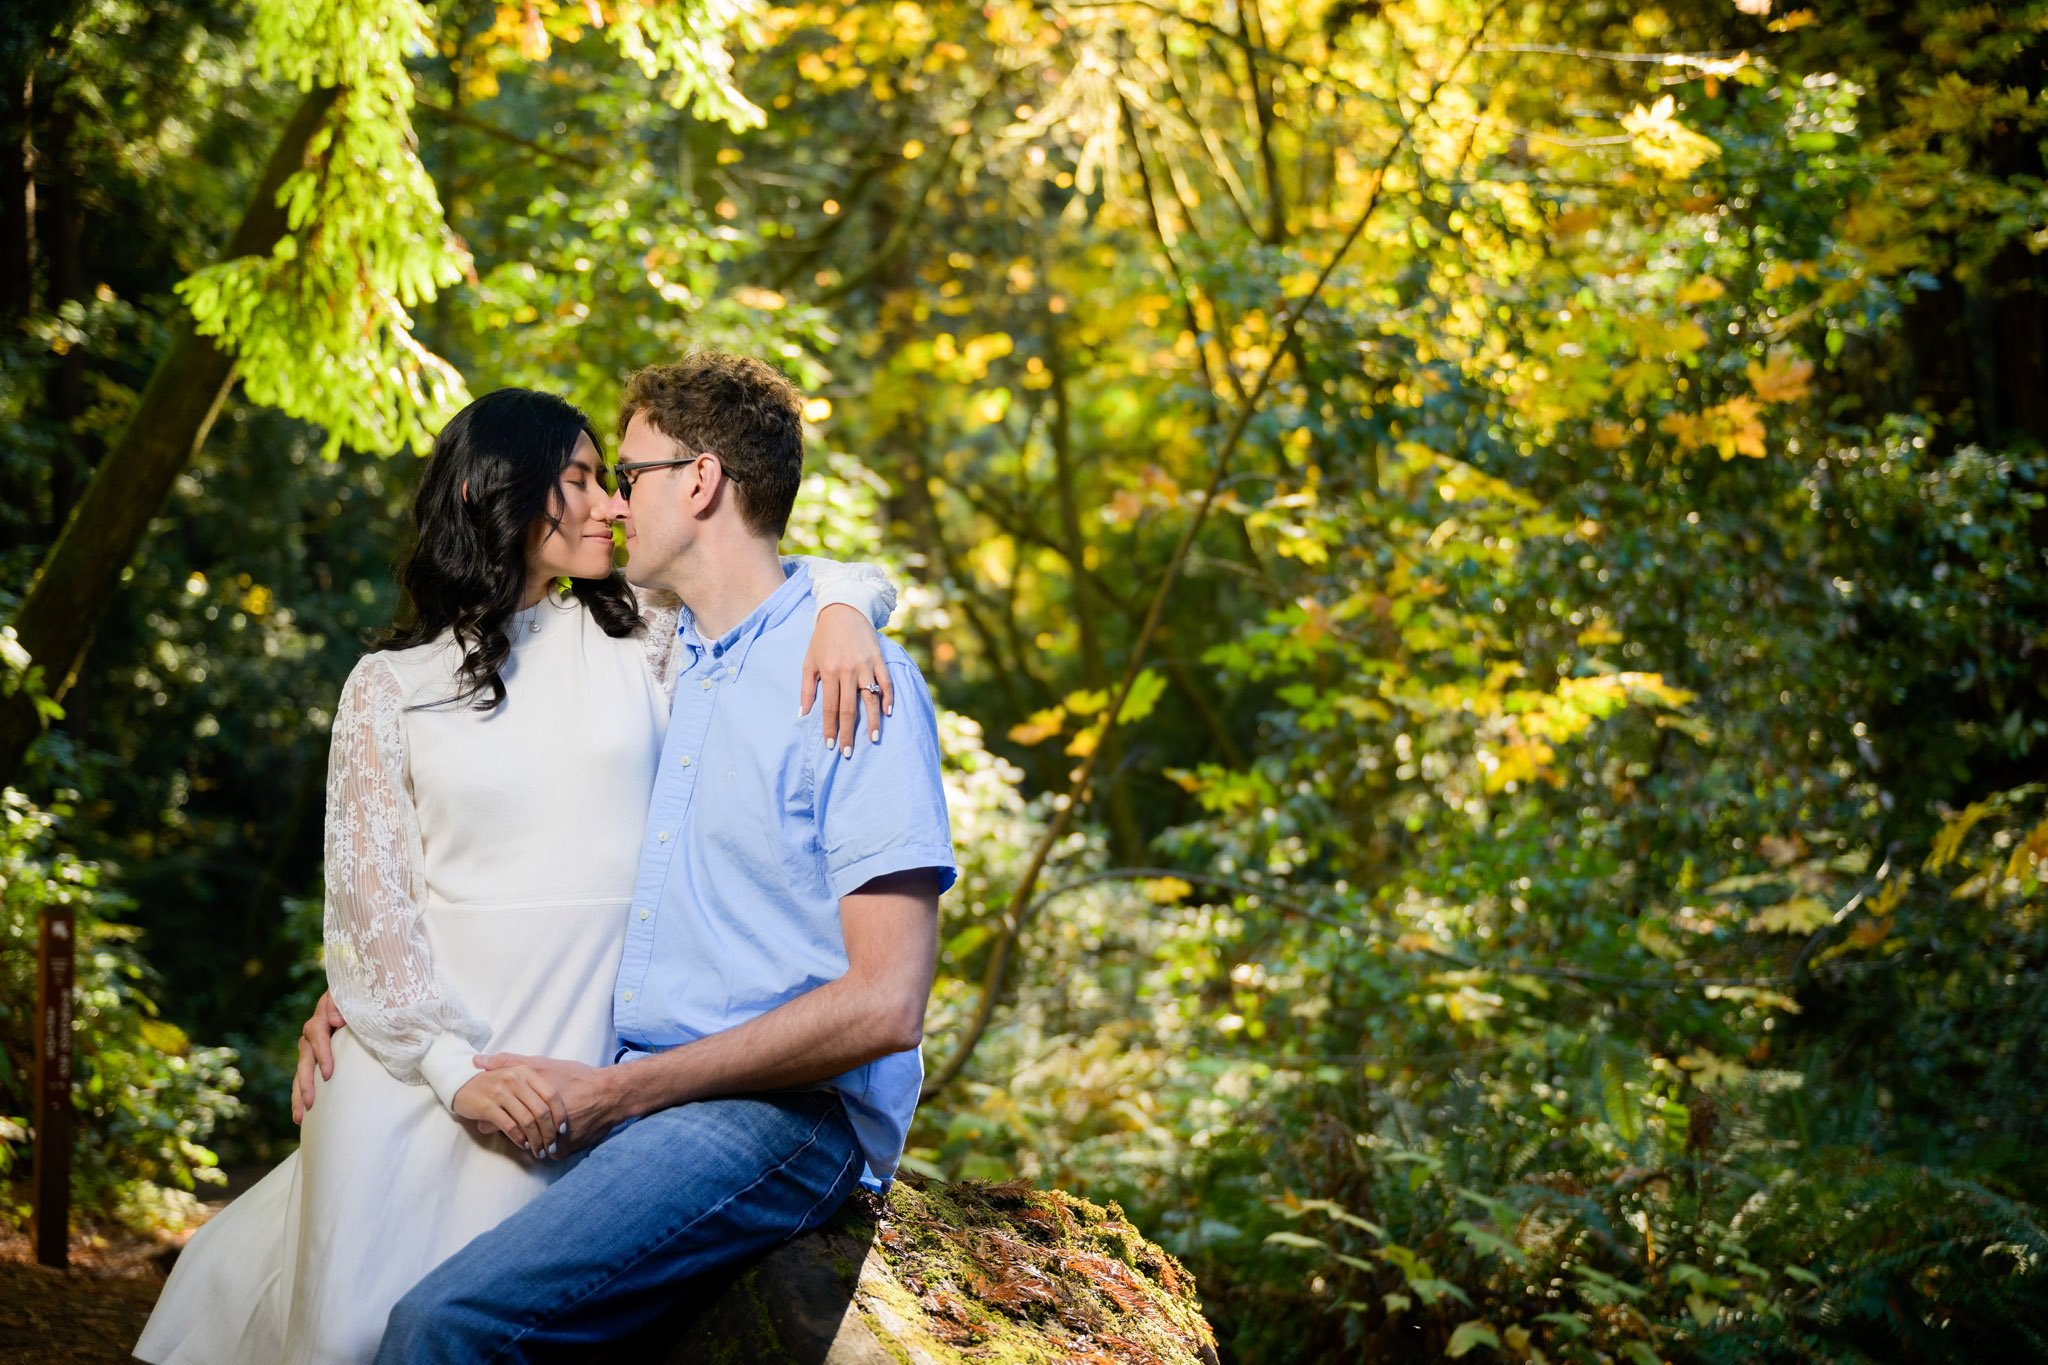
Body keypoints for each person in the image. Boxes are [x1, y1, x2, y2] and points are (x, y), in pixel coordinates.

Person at [132, 384, 899, 1365]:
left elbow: (797, 578)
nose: (612, 504)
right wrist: (448, 1072)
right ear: (495, 491)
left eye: (608, 479)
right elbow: (374, 913)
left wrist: (839, 611)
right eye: (579, 480)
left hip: (576, 1072)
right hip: (424, 1076)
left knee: (476, 1323)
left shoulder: (647, 636)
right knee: (355, 1332)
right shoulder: (386, 687)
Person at [345, 350, 958, 1361]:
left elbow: (887, 1001)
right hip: (647, 1090)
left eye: (629, 477)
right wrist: (364, 983)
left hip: (773, 1118)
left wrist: (626, 1093)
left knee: (441, 1326)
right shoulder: (679, 664)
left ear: (702, 482)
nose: (616, 508)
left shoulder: (849, 680)